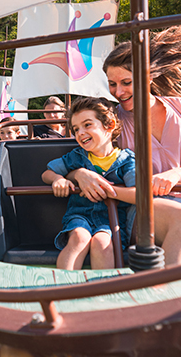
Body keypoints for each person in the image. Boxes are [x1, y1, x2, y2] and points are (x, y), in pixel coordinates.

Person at [71, 21, 181, 268]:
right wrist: (79, 173)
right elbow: (80, 156)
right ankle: (168, 299)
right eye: (112, 84)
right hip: (144, 205)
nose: (118, 92)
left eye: (126, 82)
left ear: (148, 76)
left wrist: (177, 174)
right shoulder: (111, 122)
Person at [42, 97, 135, 270]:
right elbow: (47, 173)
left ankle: (102, 292)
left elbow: (138, 194)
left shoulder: (126, 160)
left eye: (87, 125)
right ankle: (63, 288)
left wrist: (105, 190)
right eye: (76, 129)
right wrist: (58, 179)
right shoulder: (77, 157)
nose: (80, 133)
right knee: (79, 237)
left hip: (111, 219)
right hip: (80, 215)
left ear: (109, 125)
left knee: (102, 243)